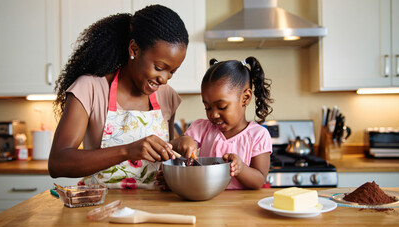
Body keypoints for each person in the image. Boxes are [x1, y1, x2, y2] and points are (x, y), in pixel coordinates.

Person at [48, 4, 189, 189]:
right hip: (100, 209)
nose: (164, 79)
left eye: (172, 72)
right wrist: (127, 151)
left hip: (156, 210)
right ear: (134, 49)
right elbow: (58, 163)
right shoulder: (90, 88)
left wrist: (179, 147)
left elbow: (167, 161)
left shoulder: (167, 96)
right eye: (159, 68)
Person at [171, 57, 273, 190]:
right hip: (205, 203)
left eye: (222, 106)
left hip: (240, 207)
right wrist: (183, 141)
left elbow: (259, 180)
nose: (213, 114)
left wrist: (241, 169)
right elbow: (171, 147)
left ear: (245, 98)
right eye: (208, 107)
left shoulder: (258, 135)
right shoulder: (201, 128)